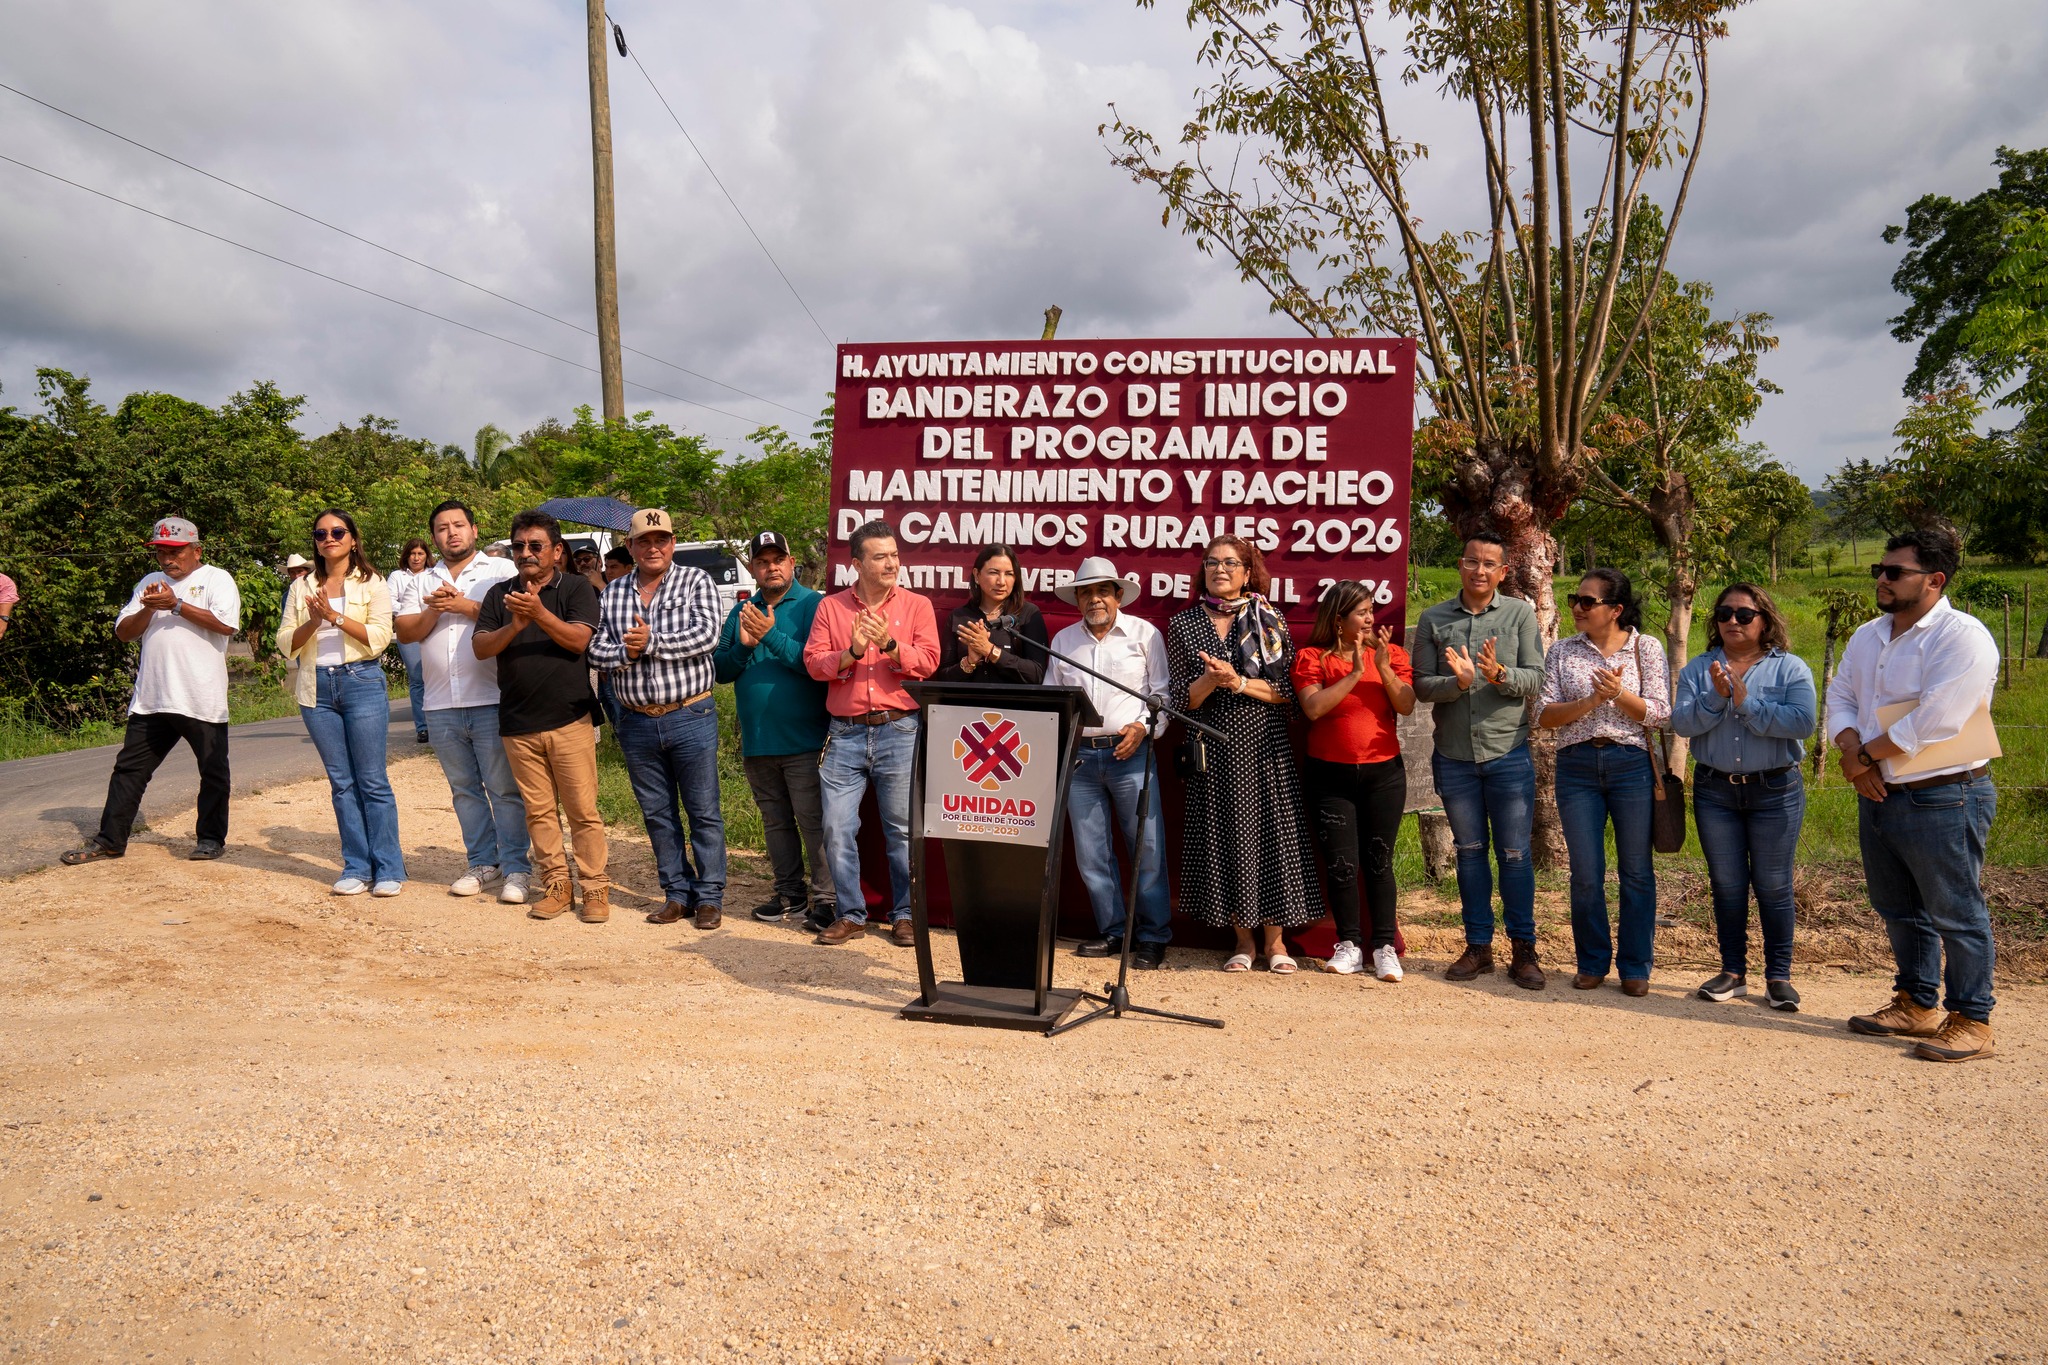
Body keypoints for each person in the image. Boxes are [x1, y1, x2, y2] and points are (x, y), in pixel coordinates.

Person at [1832, 529, 2001, 1062]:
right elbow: (1840, 695)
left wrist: (1862, 758)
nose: (1881, 579)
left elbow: (1937, 718)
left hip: (1945, 794)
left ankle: (1972, 1017)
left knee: (1955, 909)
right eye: (1878, 570)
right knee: (1898, 908)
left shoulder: (1961, 636)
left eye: (1894, 572)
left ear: (1934, 580)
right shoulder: (1867, 636)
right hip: (1880, 791)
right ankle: (1917, 1002)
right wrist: (1852, 753)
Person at [1167, 535, 1322, 972]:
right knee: (1226, 838)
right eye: (1212, 562)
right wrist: (1209, 682)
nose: (1220, 570)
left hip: (1266, 745)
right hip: (1214, 749)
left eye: (1231, 563)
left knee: (1272, 837)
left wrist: (1235, 681)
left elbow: (1286, 693)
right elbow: (1181, 700)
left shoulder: (1270, 620)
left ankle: (1275, 943)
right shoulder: (1183, 626)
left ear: (1248, 572)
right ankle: (1243, 941)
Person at [1409, 532, 1548, 988]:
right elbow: (1422, 685)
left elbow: (1536, 678)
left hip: (1507, 752)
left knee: (1513, 854)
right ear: (1460, 565)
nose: (1480, 570)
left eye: (1490, 564)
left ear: (1503, 571)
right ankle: (1478, 947)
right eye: (1472, 561)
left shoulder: (1520, 613)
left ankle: (1524, 950)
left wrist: (1499, 674)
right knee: (1469, 854)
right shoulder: (1433, 618)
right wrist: (1461, 684)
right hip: (1455, 757)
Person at [1670, 584, 1816, 1011]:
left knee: (1773, 886)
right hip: (1715, 790)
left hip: (1775, 790)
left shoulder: (1790, 668)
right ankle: (1732, 972)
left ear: (1765, 621)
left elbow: (1803, 723)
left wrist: (1746, 702)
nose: (1732, 620)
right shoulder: (1699, 669)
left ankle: (1779, 977)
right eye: (1724, 613)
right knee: (1728, 884)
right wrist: (1717, 696)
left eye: (1744, 614)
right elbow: (1682, 722)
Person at [62, 517, 240, 865]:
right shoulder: (149, 583)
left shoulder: (216, 578)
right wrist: (148, 605)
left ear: (196, 550)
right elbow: (124, 633)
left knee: (213, 772)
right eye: (160, 552)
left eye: (175, 551)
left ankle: (209, 839)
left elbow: (225, 625)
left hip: (200, 697)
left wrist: (176, 605)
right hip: (152, 698)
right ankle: (110, 841)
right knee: (129, 771)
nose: (166, 559)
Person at [802, 521, 939, 947]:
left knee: (900, 830)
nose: (891, 563)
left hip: (899, 729)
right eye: (880, 556)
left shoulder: (917, 606)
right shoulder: (832, 607)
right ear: (857, 563)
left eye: (895, 555)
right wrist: (854, 652)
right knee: (837, 828)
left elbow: (930, 662)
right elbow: (814, 663)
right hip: (843, 733)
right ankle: (851, 914)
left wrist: (893, 647)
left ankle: (904, 914)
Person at [588, 508, 727, 928]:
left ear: (672, 543)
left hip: (690, 713)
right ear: (630, 547)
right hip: (635, 720)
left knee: (703, 810)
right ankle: (676, 893)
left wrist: (650, 642)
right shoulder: (612, 593)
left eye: (661, 539)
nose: (653, 547)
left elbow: (707, 636)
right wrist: (626, 653)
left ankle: (709, 897)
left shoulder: (696, 580)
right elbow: (596, 651)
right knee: (657, 813)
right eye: (644, 541)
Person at [1537, 568, 1670, 997]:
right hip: (1576, 766)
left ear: (1615, 610)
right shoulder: (1561, 651)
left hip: (1630, 763)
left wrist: (1617, 696)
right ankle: (1592, 961)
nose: (1577, 606)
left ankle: (1635, 966)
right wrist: (1592, 700)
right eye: (1576, 598)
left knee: (1636, 871)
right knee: (1586, 873)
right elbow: (1544, 716)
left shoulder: (1645, 648)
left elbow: (1661, 713)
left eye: (1587, 601)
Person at [475, 511, 609, 924]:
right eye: (519, 546)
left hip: (569, 718)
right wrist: (515, 624)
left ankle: (595, 889)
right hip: (517, 722)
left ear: (556, 551)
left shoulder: (577, 588)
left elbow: (578, 641)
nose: (526, 553)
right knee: (538, 812)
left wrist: (538, 614)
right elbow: (481, 648)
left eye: (536, 546)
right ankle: (556, 887)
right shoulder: (499, 595)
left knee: (582, 810)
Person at [393, 500, 530, 904]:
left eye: (458, 525)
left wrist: (464, 605)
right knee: (464, 789)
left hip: (491, 696)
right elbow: (405, 632)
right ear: (434, 536)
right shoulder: (422, 579)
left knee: (504, 788)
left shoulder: (501, 570)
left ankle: (517, 868)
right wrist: (435, 609)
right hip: (439, 703)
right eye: (441, 528)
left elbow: (514, 621)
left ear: (474, 529)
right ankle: (482, 862)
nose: (451, 533)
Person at [1044, 557, 1172, 969]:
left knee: (1146, 848)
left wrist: (1143, 727)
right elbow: (1053, 700)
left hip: (1131, 753)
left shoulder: (1145, 634)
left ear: (1118, 596)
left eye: (1102, 591)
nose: (1094, 599)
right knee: (1091, 852)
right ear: (1077, 599)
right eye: (1086, 592)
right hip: (1080, 758)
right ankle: (1115, 931)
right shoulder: (1063, 640)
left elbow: (1163, 698)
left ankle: (1152, 936)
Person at [277, 510, 404, 896]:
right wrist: (314, 622)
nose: (328, 538)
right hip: (316, 688)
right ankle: (356, 866)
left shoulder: (372, 582)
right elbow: (285, 643)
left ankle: (388, 869)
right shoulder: (303, 587)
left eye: (337, 531)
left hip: (361, 680)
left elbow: (380, 637)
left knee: (372, 780)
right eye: (320, 533)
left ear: (352, 539)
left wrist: (332, 615)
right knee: (341, 783)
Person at [1294, 580, 1416, 981]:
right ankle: (1348, 943)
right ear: (1339, 618)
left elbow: (1407, 705)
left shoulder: (1392, 654)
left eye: (1371, 611)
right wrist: (1355, 672)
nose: (1370, 618)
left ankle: (1383, 947)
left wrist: (1381, 668)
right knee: (1342, 865)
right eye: (1361, 612)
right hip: (1330, 776)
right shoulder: (1313, 657)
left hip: (1383, 774)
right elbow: (1313, 708)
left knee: (1378, 861)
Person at [713, 531, 833, 927]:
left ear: (792, 561)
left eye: (777, 559)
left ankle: (826, 900)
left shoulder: (814, 605)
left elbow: (815, 664)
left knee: (813, 821)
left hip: (805, 738)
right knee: (775, 821)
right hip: (759, 740)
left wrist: (770, 636)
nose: (771, 567)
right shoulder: (740, 611)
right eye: (762, 561)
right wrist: (745, 646)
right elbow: (721, 670)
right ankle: (789, 894)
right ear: (752, 568)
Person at [936, 544, 1049, 684]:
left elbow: (1037, 675)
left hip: (1014, 705)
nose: (1001, 582)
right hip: (967, 704)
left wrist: (990, 651)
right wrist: (969, 662)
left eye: (1009, 574)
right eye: (994, 572)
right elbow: (943, 678)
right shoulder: (959, 616)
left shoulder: (1028, 614)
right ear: (977, 575)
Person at [388, 538, 434, 743]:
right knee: (417, 677)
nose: (416, 558)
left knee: (436, 674)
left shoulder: (433, 575)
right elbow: (390, 601)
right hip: (408, 630)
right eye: (412, 554)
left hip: (431, 628)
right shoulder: (397, 576)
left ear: (426, 556)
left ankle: (438, 724)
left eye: (420, 554)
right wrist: (413, 611)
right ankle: (422, 727)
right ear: (406, 556)